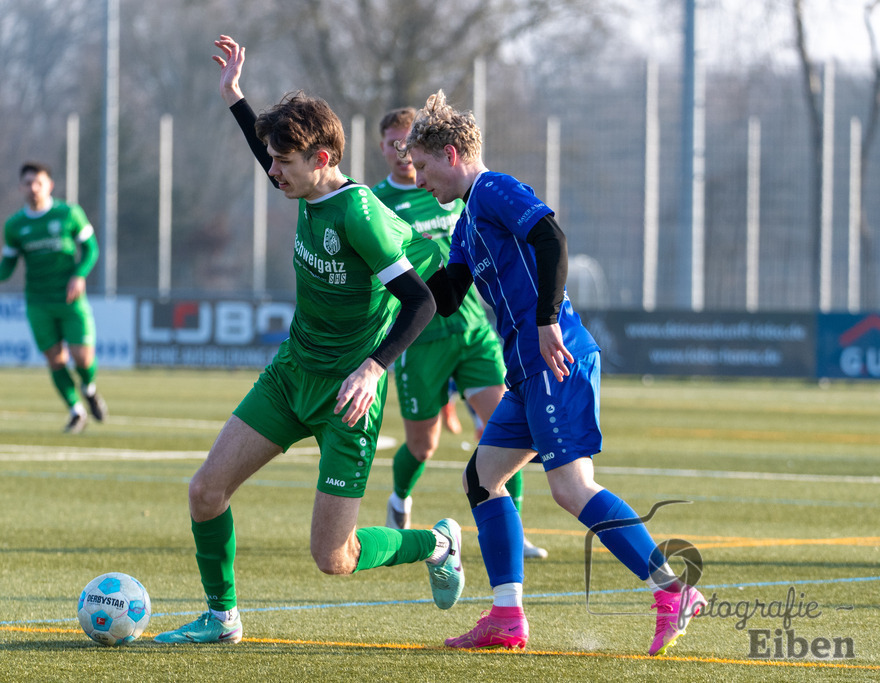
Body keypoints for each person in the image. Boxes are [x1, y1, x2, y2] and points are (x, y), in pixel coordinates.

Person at [153, 36, 464, 646]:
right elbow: (266, 150)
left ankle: (438, 541)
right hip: (292, 374)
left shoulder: (358, 216)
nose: (273, 174)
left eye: (284, 165)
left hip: (348, 395)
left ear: (322, 158)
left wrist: (373, 370)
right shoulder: (303, 183)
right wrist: (235, 98)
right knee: (206, 491)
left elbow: (421, 302)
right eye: (272, 162)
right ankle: (222, 619)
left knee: (335, 558)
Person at [403, 91, 706, 655]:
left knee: (570, 487)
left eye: (422, 167)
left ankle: (672, 589)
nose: (419, 180)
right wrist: (391, 272)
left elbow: (551, 237)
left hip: (553, 358)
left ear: (450, 153)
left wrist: (546, 320)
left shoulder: (492, 189)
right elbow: (446, 297)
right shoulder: (466, 225)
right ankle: (506, 617)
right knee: (482, 479)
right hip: (526, 371)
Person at [371, 108, 547, 560]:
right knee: (422, 444)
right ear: (383, 147)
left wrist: (544, 313)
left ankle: (514, 529)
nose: (403, 156)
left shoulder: (460, 191)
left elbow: (545, 237)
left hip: (472, 331)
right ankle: (400, 500)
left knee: (504, 427)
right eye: (393, 145)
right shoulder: (375, 202)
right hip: (422, 339)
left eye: (410, 147)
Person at [0, 161, 107, 434]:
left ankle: (88, 388)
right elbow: (9, 263)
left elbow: (91, 249)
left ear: (49, 185)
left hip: (70, 298)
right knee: (55, 358)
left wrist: (79, 274)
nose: (33, 188)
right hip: (38, 301)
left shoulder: (68, 213)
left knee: (83, 358)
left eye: (38, 182)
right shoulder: (15, 225)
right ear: (20, 187)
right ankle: (76, 411)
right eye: (27, 183)